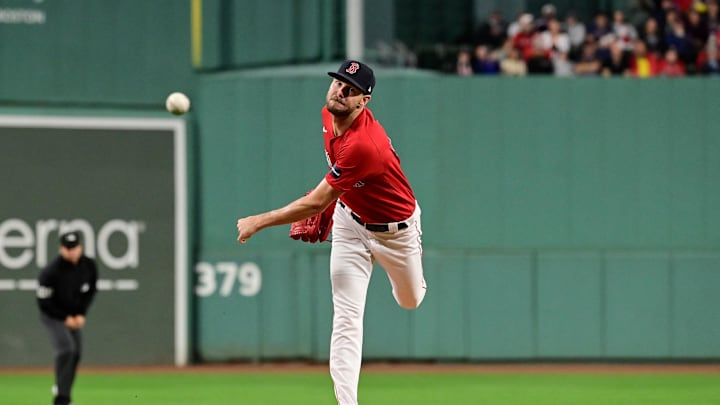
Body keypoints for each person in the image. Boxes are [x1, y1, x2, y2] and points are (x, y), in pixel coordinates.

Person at [235, 60, 427, 405]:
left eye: (350, 89)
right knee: (347, 317)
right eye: (338, 82)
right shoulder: (329, 117)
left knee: (410, 300)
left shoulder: (365, 145)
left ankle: (415, 277)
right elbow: (329, 188)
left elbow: (316, 201)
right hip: (350, 223)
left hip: (396, 233)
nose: (340, 90)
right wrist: (331, 204)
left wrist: (259, 221)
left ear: (363, 101)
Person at [37, 231, 98, 405]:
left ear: (80, 247)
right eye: (67, 248)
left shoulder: (88, 265)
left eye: (74, 247)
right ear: (61, 249)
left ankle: (64, 391)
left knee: (76, 354)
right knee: (66, 350)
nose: (71, 251)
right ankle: (61, 398)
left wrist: (81, 314)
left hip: (73, 315)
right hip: (53, 316)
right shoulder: (51, 272)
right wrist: (65, 318)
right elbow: (43, 303)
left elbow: (91, 290)